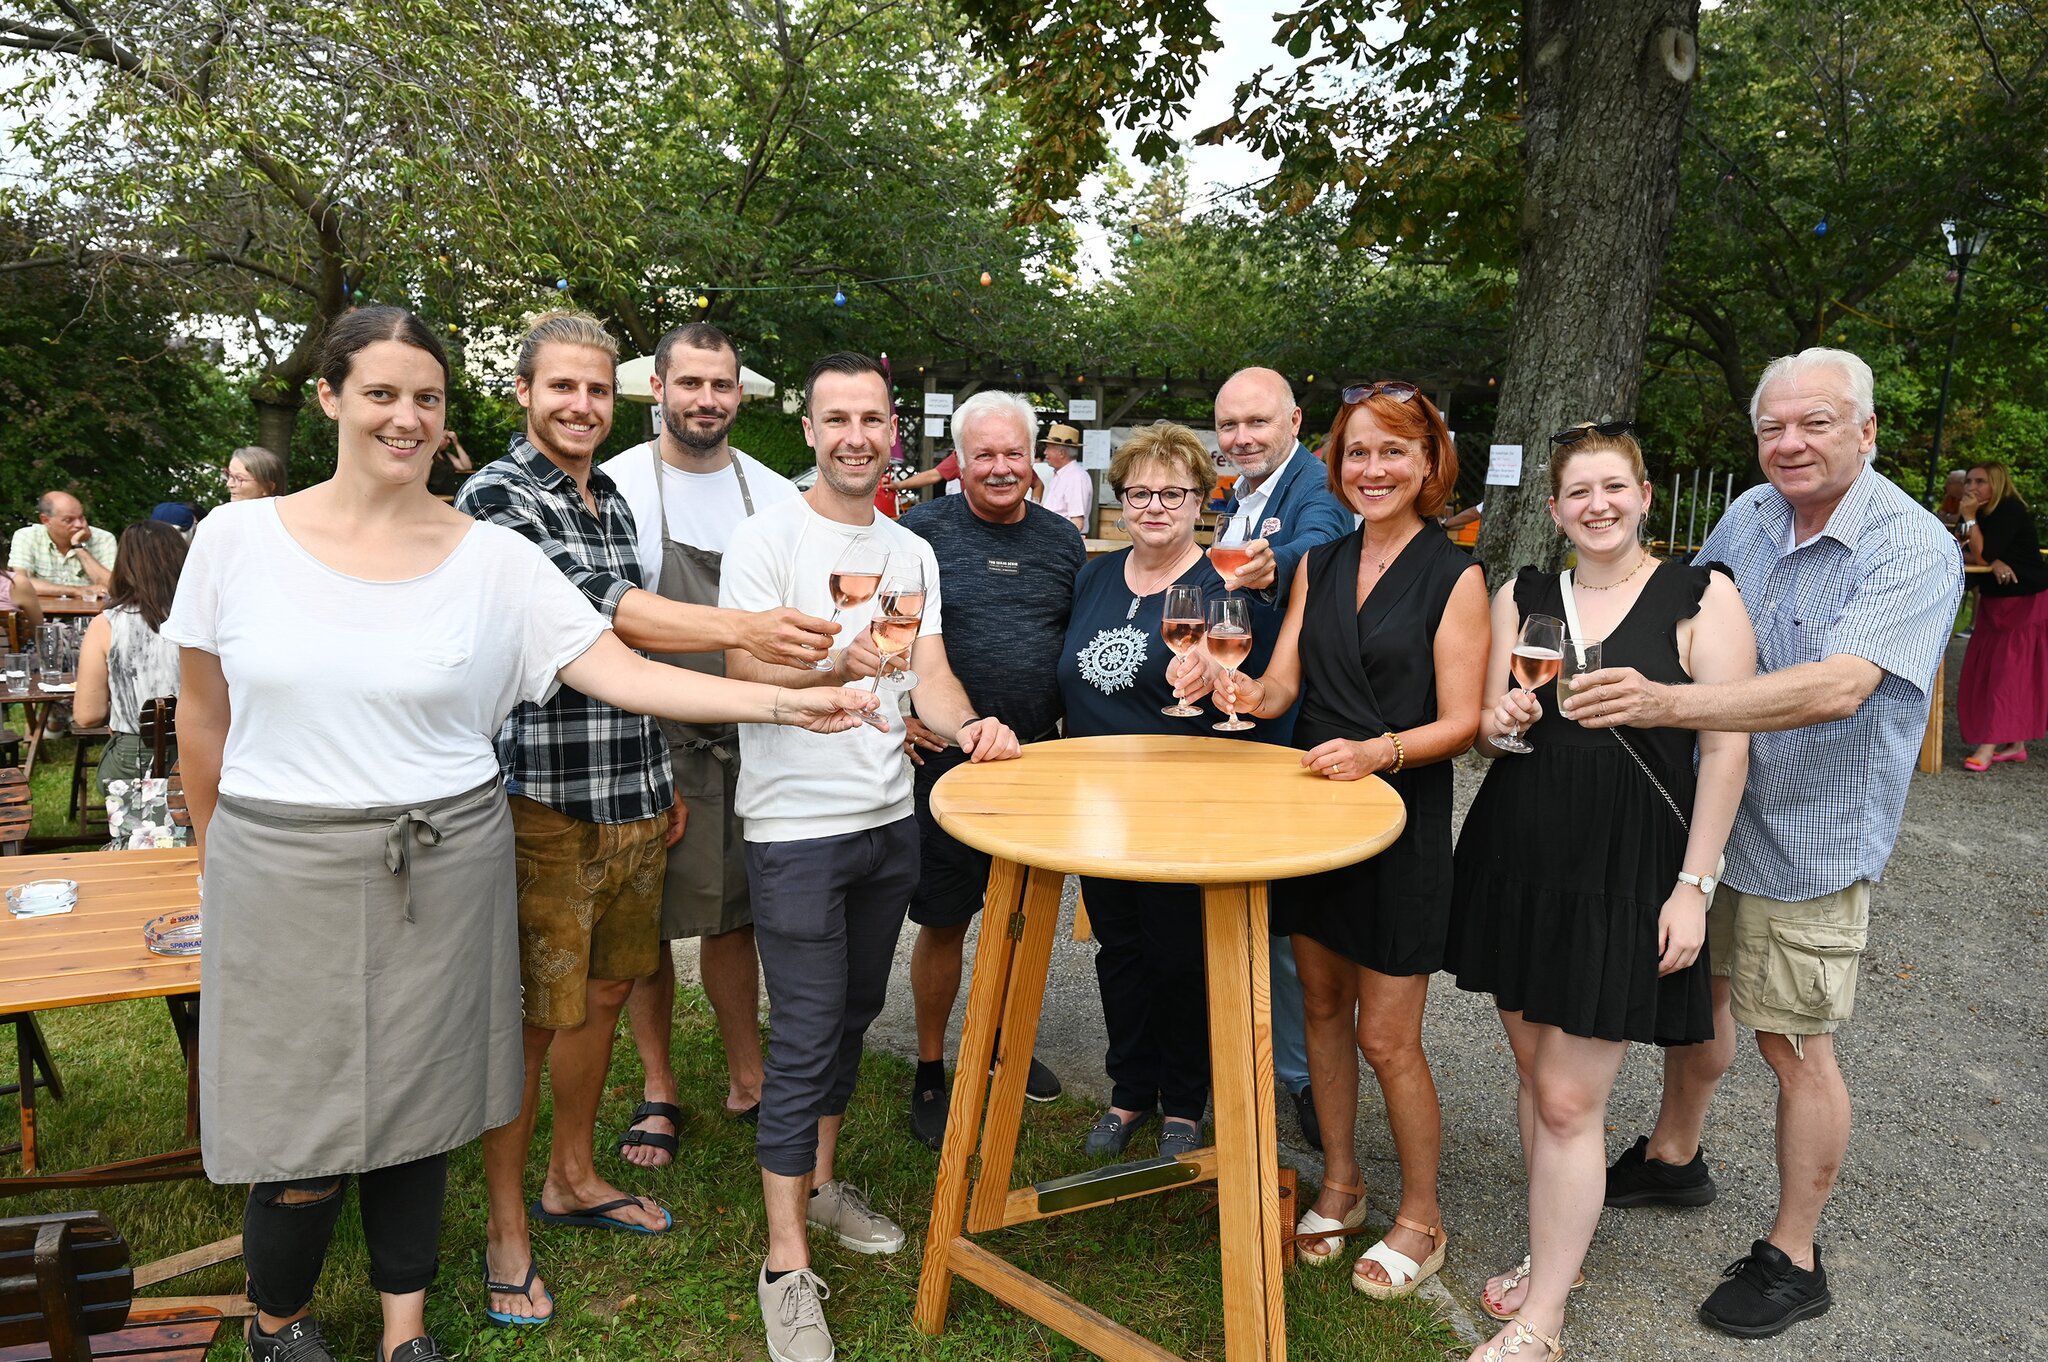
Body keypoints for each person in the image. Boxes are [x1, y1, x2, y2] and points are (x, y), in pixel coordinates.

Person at [164, 306, 875, 1362]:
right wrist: (223, 869)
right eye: (381, 394)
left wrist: (787, 702)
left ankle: (405, 1331)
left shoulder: (483, 552)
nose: (404, 418)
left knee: (424, 1099)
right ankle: (281, 1324)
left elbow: (614, 664)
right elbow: (204, 722)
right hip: (291, 862)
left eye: (425, 399)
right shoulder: (237, 539)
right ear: (329, 398)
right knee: (300, 1121)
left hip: (446, 854)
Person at [1564, 347, 1962, 1339]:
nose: (1788, 443)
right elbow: (1687, 610)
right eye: (1772, 427)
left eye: (1814, 423)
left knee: (1793, 1044)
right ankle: (1672, 1156)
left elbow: (1839, 686)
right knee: (1694, 996)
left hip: (1810, 835)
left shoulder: (1909, 546)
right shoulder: (1747, 513)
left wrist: (1669, 702)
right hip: (1708, 810)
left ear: (1865, 432)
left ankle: (1793, 1252)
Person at [458, 310, 845, 1328]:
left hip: (631, 782)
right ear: (525, 395)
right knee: (533, 1022)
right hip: (540, 799)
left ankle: (572, 1176)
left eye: (593, 391)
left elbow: (634, 673)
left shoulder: (608, 495)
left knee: (603, 993)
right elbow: (600, 616)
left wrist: (656, 771)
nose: (579, 407)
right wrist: (748, 632)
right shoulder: (498, 496)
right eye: (561, 390)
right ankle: (506, 1227)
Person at [721, 351, 1020, 1362]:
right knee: (804, 1030)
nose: (855, 434)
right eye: (835, 417)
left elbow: (924, 670)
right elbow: (739, 660)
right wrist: (827, 658)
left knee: (853, 1013)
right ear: (807, 430)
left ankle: (820, 1179)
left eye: (871, 418)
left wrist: (973, 725)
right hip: (794, 826)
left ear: (896, 432)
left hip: (887, 815)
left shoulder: (910, 551)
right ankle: (785, 1260)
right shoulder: (762, 540)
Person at [1445, 425, 1754, 1362]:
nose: (1597, 506)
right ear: (1553, 507)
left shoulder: (1703, 595)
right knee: (1538, 1077)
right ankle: (1557, 1258)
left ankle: (1542, 1320)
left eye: (1614, 487)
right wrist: (1495, 724)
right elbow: (1496, 731)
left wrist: (1694, 888)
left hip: (1625, 873)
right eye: (1578, 492)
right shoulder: (1524, 594)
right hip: (1520, 856)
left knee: (1573, 1100)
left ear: (1647, 495)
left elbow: (1728, 749)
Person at [1179, 380, 1486, 1298]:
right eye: (1358, 452)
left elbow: (1464, 721)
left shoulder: (1455, 574)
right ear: (1336, 463)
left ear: (1430, 464)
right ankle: (1342, 1185)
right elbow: (1281, 691)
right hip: (1317, 816)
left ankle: (1421, 1218)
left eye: (1394, 451)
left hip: (1398, 819)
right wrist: (1229, 688)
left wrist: (1380, 751)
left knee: (1389, 1037)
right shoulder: (1322, 561)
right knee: (1319, 1012)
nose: (1374, 468)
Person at [599, 322, 801, 1165]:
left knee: (735, 918)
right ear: (657, 388)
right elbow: (606, 629)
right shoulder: (613, 488)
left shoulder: (774, 493)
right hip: (650, 733)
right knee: (644, 926)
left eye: (721, 386)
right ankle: (658, 1087)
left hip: (753, 733)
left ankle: (749, 1074)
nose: (707, 401)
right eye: (691, 385)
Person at [898, 390, 1086, 1150]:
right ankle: (934, 1063)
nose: (1001, 467)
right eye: (985, 455)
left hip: (1036, 760)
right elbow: (885, 635)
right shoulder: (919, 533)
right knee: (945, 919)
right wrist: (896, 713)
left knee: (1019, 919)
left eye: (1014, 452)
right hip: (944, 761)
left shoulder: (1061, 542)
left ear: (1035, 456)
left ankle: (1006, 1043)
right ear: (960, 461)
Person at [1060, 421, 1249, 1163]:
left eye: (1173, 493)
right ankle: (1129, 1090)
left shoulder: (1220, 584)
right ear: (1120, 502)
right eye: (1139, 492)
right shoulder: (1095, 576)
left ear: (1200, 500)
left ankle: (1185, 1104)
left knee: (1177, 955)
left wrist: (1213, 674)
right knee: (1119, 950)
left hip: (1181, 804)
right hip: (1096, 802)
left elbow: (1243, 688)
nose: (1154, 506)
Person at [1210, 366, 1355, 1150]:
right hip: (1250, 715)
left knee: (1291, 921)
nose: (1241, 438)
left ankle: (1299, 1079)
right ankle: (1247, 1058)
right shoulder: (1240, 496)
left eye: (1256, 423)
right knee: (1250, 909)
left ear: (1295, 420)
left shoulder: (1317, 485)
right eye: (1230, 426)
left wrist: (1271, 564)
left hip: (1298, 725)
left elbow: (1321, 546)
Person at [73, 521, 188, 788]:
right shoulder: (210, 619)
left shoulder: (107, 624)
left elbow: (87, 715)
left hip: (134, 759)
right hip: (205, 752)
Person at [1956, 460, 2047, 770]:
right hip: (1997, 599)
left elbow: (1981, 551)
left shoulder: (2009, 509)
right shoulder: (1980, 513)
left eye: (1980, 482)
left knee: (2007, 674)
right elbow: (1964, 547)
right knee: (1991, 670)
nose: (1971, 488)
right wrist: (1991, 559)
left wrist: (1972, 524)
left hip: (2024, 599)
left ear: (1997, 484)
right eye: (1969, 481)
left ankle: (1988, 745)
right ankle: (2014, 744)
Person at [10, 490, 116, 593]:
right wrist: (78, 591)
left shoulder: (104, 539)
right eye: (69, 520)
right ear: (46, 520)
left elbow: (113, 587)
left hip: (94, 611)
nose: (79, 525)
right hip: (40, 610)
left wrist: (79, 547)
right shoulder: (27, 536)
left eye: (81, 517)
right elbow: (19, 583)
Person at [1039, 423, 1093, 533]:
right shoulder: (1063, 474)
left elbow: (1077, 523)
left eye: (1048, 448)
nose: (1045, 452)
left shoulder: (1076, 477)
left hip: (1062, 543)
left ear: (1062, 453)